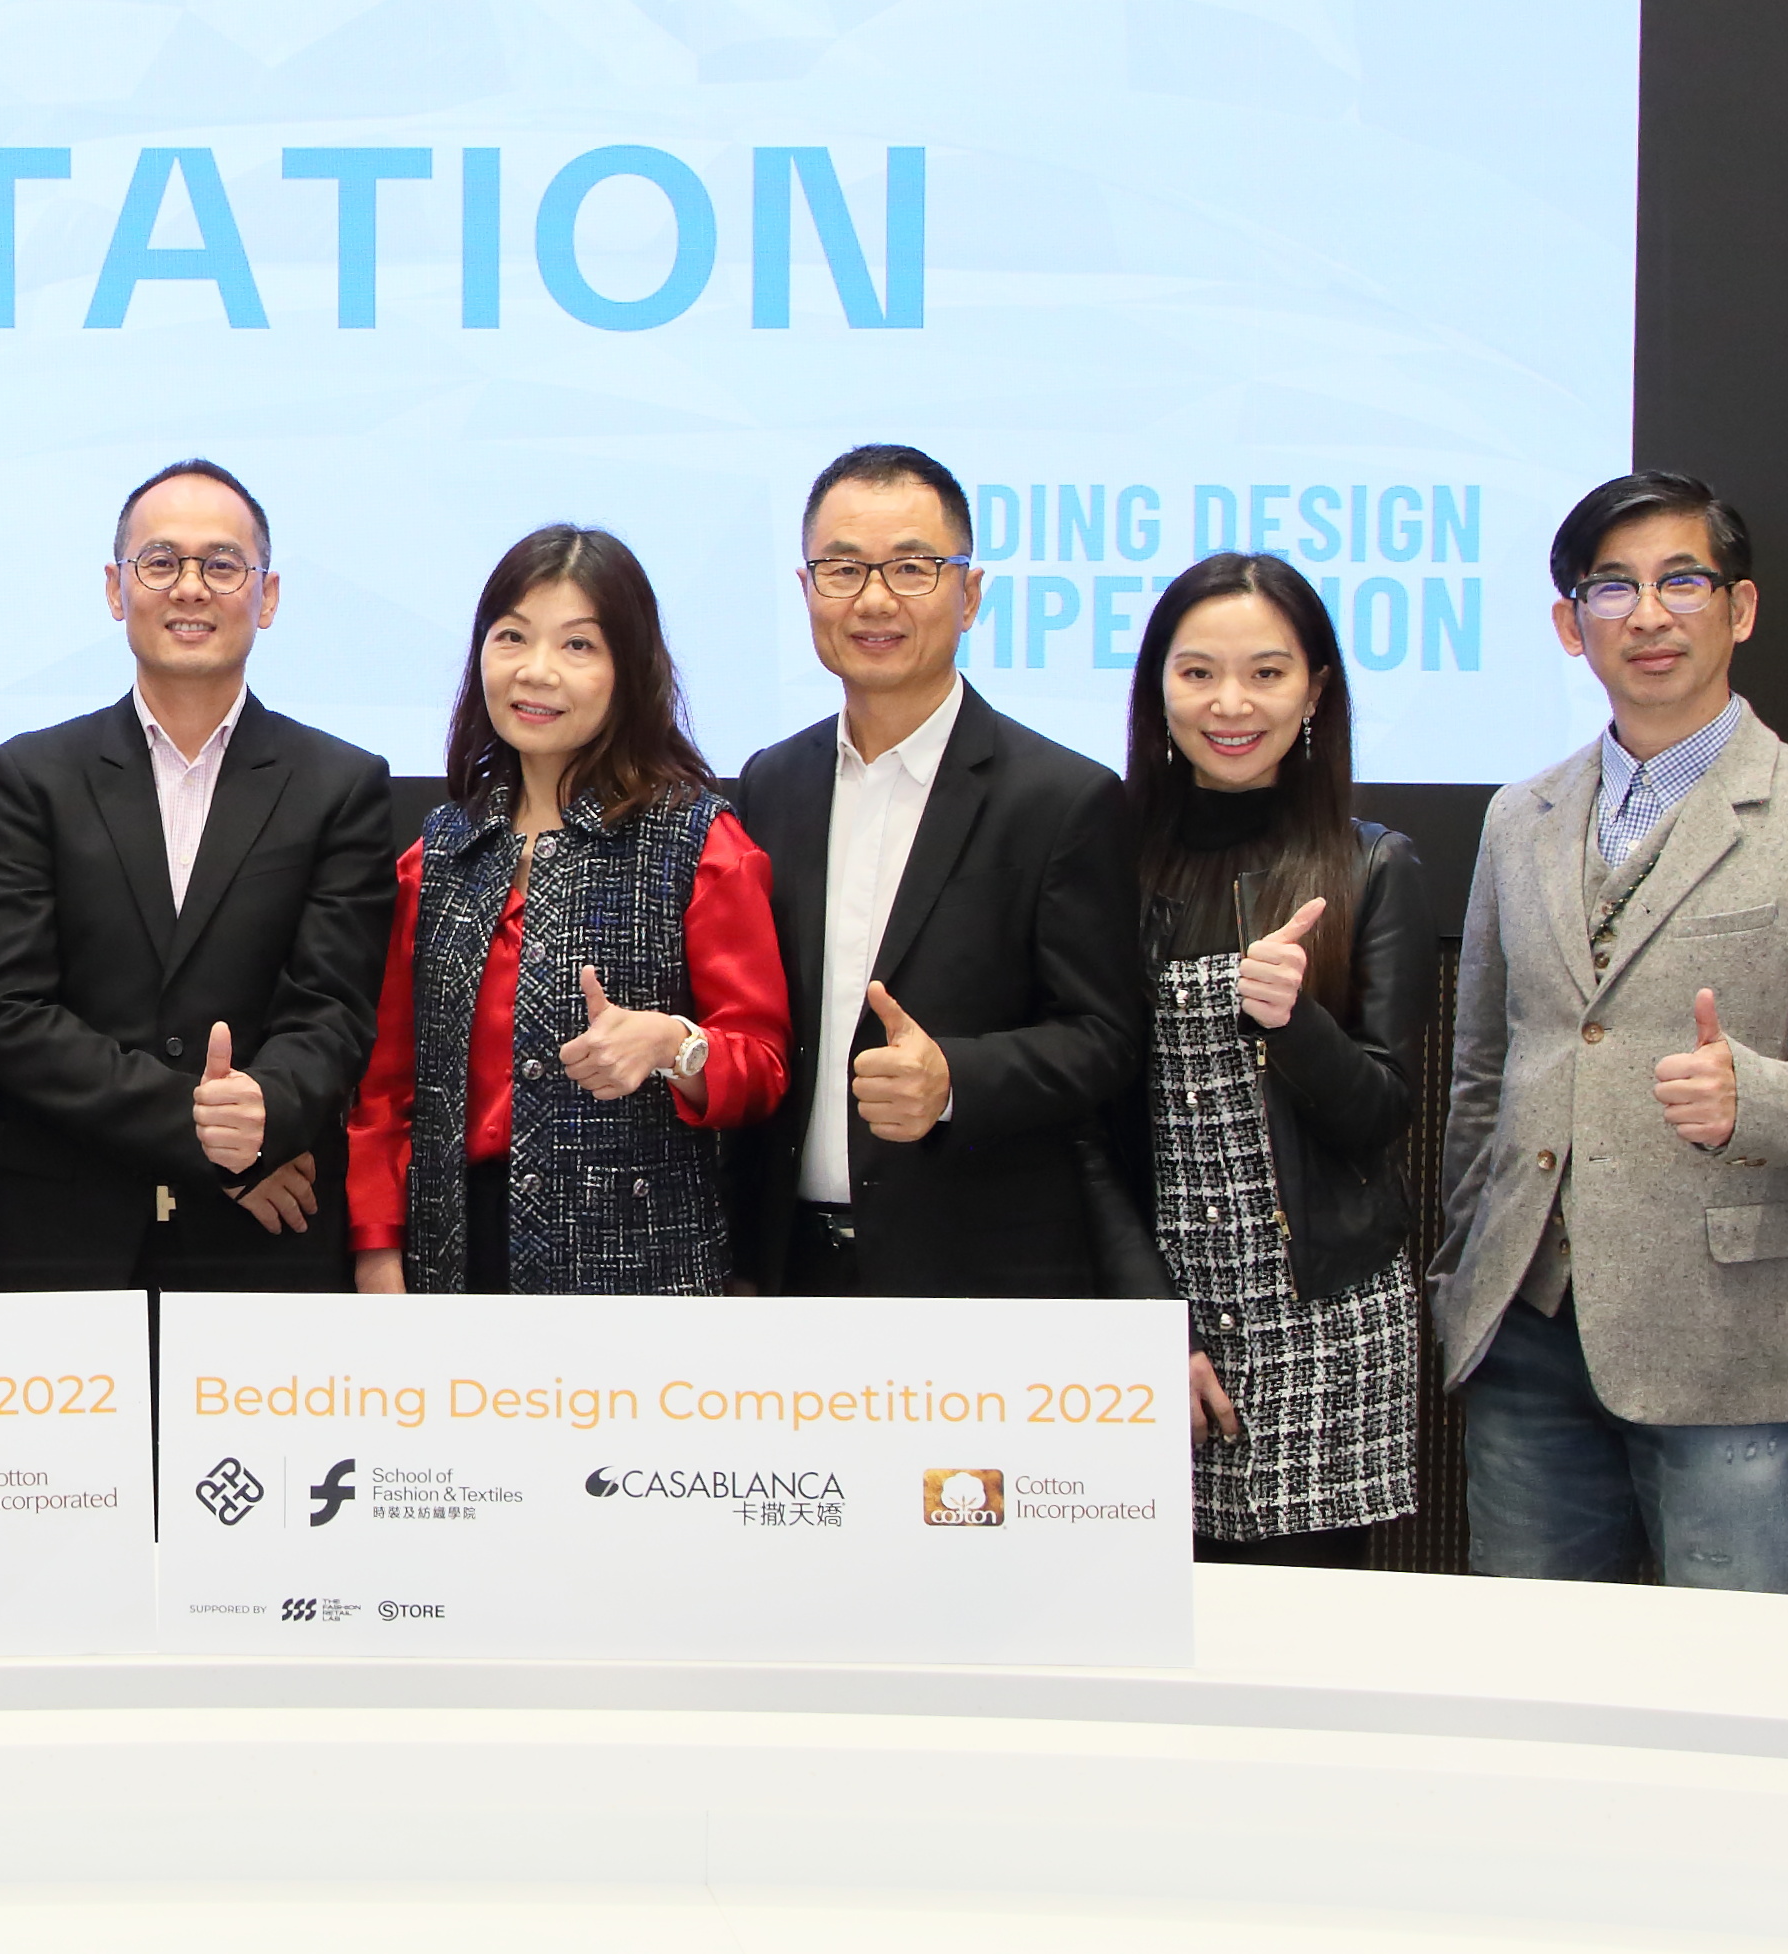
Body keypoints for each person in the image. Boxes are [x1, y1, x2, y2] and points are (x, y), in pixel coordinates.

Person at [1434, 474, 1788, 1593]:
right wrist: (1464, 1270)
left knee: (1730, 1677)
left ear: (1738, 608)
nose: (1647, 615)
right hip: (1527, 1328)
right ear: (1571, 625)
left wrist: (1755, 1097)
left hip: (1733, 1336)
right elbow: (1482, 1069)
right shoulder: (1518, 816)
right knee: (1532, 1670)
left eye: (1681, 582)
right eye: (1612, 588)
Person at [0, 459, 398, 1291]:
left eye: (221, 564)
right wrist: (214, 1137)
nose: (190, 587)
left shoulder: (340, 784)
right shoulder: (33, 775)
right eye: (160, 561)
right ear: (116, 589)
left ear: (265, 595)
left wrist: (265, 1109)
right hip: (66, 1239)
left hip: (262, 1248)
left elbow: (333, 1009)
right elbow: (5, 1010)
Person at [725, 444, 1143, 1301]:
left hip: (973, 1276)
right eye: (842, 568)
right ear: (806, 590)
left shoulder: (1060, 798)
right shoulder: (770, 782)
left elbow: (1105, 1037)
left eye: (912, 567)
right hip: (787, 1270)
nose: (874, 598)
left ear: (969, 593)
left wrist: (955, 1078)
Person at [1091, 556, 1431, 1569]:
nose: (1230, 704)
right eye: (1197, 672)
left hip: (1323, 1327)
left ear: (1314, 691)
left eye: (1266, 673)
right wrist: (1152, 1326)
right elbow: (1083, 1124)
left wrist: (1293, 1024)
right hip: (1139, 1301)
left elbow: (1380, 1115)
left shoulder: (1374, 864)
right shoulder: (1101, 861)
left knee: (1304, 1635)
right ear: (1157, 687)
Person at [344, 528, 787, 1296]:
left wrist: (672, 1044)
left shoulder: (697, 841)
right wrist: (377, 1248)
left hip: (639, 1276)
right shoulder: (438, 852)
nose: (536, 670)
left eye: (577, 645)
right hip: (452, 1259)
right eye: (511, 636)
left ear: (629, 668)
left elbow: (763, 1065)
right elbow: (384, 1089)